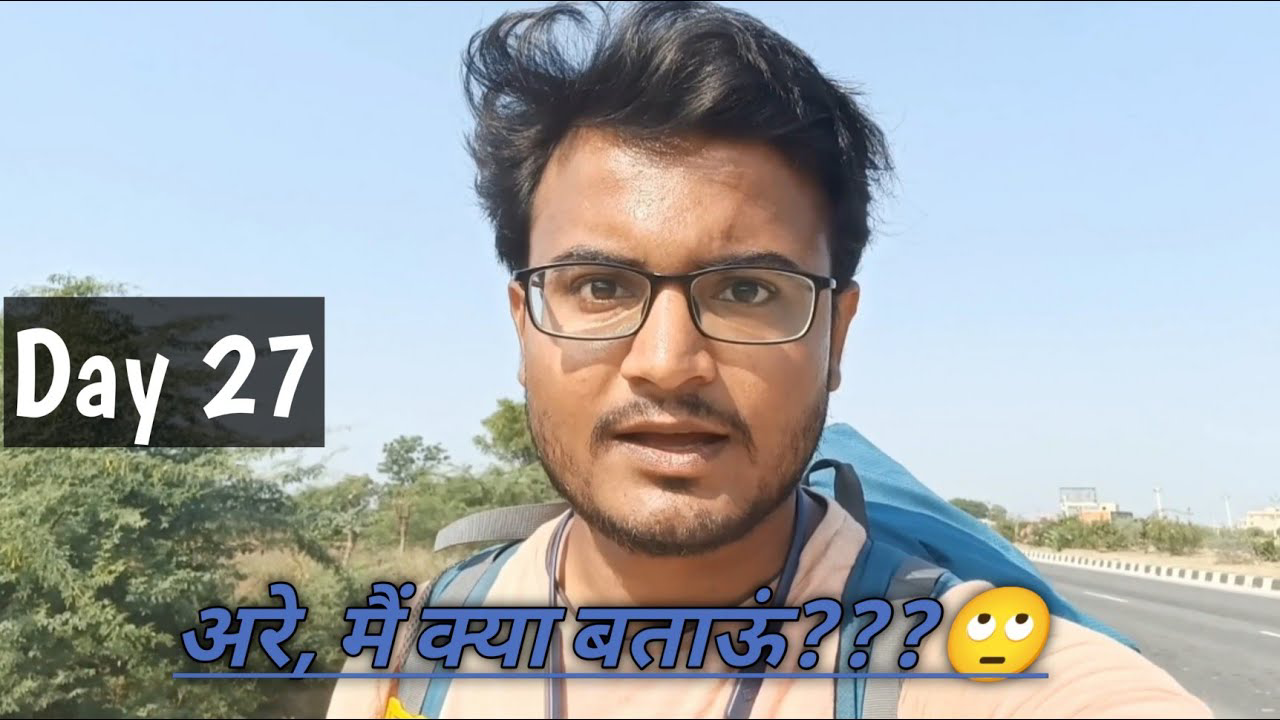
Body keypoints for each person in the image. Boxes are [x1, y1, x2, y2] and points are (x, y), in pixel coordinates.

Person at [328, 2, 1212, 717]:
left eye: (749, 291)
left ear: (838, 339)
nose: (668, 364)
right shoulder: (410, 656)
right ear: (525, 324)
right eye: (598, 287)